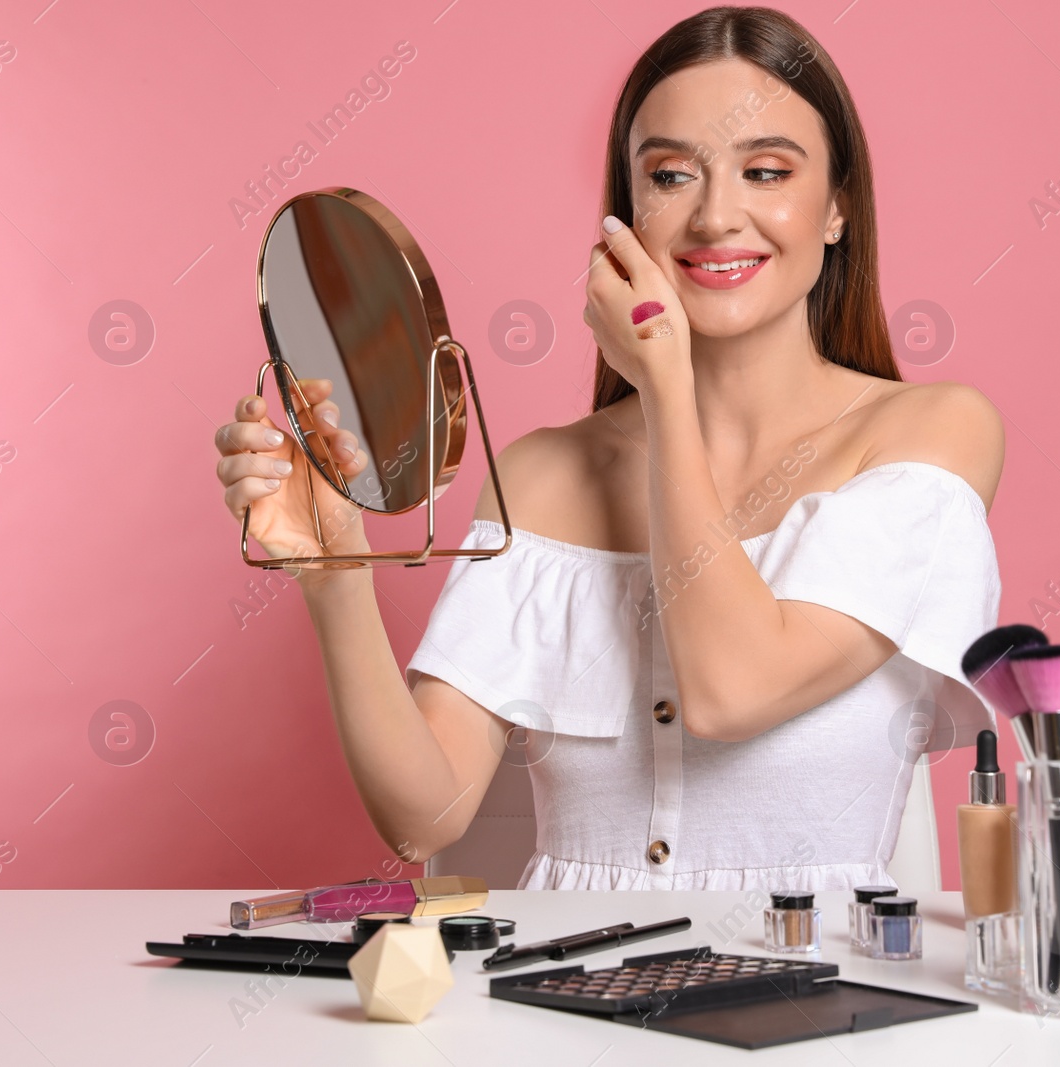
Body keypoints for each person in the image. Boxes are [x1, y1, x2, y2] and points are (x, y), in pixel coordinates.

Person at [213, 6, 1004, 890]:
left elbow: (730, 688)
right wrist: (335, 572)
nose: (715, 215)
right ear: (627, 210)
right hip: (560, 993)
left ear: (837, 208)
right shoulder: (543, 474)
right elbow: (423, 817)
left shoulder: (930, 433)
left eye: (767, 171)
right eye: (671, 175)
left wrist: (667, 392)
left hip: (822, 993)